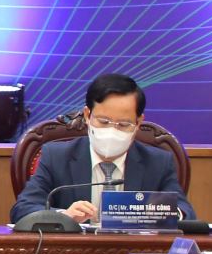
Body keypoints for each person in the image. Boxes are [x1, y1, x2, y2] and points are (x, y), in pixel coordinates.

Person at [11, 72, 196, 223]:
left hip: (135, 253)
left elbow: (186, 213)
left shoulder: (158, 162)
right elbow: (23, 209)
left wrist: (159, 213)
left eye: (123, 124)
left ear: (139, 123)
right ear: (87, 115)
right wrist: (64, 216)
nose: (112, 131)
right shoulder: (56, 157)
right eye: (103, 121)